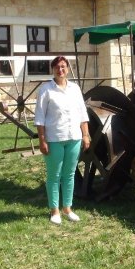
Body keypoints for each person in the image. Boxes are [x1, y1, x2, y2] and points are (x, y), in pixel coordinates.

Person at [34, 56, 91, 225]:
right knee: (54, 176)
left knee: (69, 174)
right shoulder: (46, 90)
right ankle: (54, 210)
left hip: (73, 137)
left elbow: (82, 114)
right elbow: (39, 118)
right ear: (53, 69)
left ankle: (67, 208)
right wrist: (42, 140)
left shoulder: (74, 89)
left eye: (63, 67)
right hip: (54, 138)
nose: (61, 70)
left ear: (68, 69)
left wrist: (85, 135)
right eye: (57, 67)